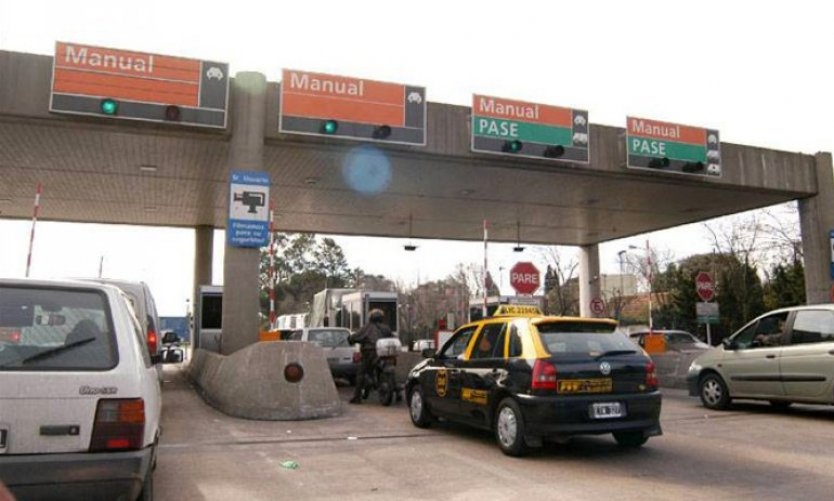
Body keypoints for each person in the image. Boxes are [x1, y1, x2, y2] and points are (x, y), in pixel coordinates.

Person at [348, 309, 393, 404]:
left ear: (371, 317)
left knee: (361, 373)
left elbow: (356, 337)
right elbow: (392, 337)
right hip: (384, 353)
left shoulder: (367, 328)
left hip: (370, 353)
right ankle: (398, 393)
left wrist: (350, 339)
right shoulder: (386, 328)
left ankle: (357, 397)